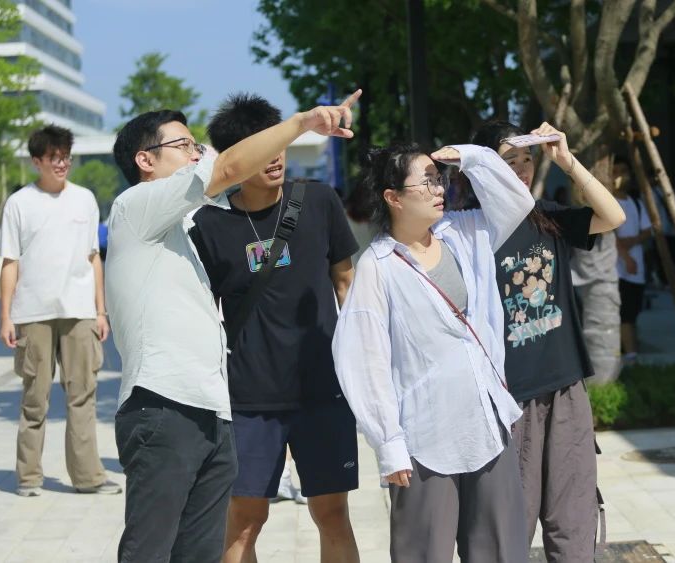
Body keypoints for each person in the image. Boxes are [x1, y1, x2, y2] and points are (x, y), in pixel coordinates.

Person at [105, 91, 360, 563]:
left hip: (215, 406)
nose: (196, 155)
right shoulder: (138, 208)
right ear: (145, 160)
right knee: (169, 544)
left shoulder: (182, 228)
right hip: (174, 404)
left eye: (196, 146)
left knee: (198, 548)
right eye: (184, 146)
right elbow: (225, 169)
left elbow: (346, 282)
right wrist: (303, 122)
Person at [333, 141, 534, 562]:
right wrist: (388, 443)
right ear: (393, 197)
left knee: (502, 551)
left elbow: (518, 201)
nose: (439, 188)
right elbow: (363, 359)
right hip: (424, 439)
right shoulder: (377, 266)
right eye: (426, 182)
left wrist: (472, 157)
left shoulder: (464, 232)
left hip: (486, 422)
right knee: (424, 554)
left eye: (438, 179)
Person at [189, 93, 360, 563]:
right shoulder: (209, 226)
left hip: (322, 391)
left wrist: (364, 367)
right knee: (245, 522)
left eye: (278, 143)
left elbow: (347, 285)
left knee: (333, 515)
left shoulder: (319, 202)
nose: (274, 157)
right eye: (260, 148)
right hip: (249, 399)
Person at [472, 120, 625, 561]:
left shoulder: (547, 216)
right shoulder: (470, 230)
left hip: (566, 388)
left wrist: (567, 160)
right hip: (510, 400)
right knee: (510, 529)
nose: (522, 169)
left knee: (573, 521)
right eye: (509, 161)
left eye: (526, 159)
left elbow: (613, 216)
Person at [0, 125, 121, 498]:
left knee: (82, 395)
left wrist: (101, 311)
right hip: (32, 313)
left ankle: (88, 477)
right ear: (37, 161)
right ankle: (29, 477)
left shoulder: (84, 199)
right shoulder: (19, 203)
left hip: (79, 311)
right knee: (35, 398)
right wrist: (6, 316)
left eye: (66, 157)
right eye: (54, 158)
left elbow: (93, 257)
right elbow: (10, 262)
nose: (62, 163)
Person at [613, 156, 652, 366]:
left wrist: (632, 241)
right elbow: (610, 236)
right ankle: (631, 356)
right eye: (616, 171)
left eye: (623, 171)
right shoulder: (609, 202)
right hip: (617, 269)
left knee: (633, 313)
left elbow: (647, 230)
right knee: (625, 314)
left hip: (637, 269)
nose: (620, 176)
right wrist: (626, 257)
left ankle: (629, 350)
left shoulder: (636, 203)